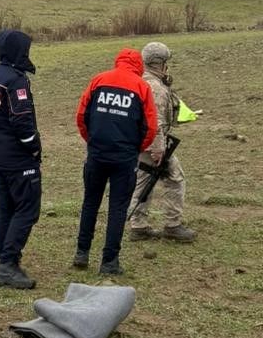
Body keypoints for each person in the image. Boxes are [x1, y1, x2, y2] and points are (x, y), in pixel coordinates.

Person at [73, 48, 157, 275]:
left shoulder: (98, 80)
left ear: (117, 61)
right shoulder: (142, 87)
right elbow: (150, 127)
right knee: (117, 208)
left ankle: (82, 252)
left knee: (90, 202)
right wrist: (135, 148)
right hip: (125, 157)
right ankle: (109, 262)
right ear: (139, 65)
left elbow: (81, 116)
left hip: (97, 154)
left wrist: (91, 141)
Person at [0, 29, 42, 289]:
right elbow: (22, 120)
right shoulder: (16, 80)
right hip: (18, 158)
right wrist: (34, 147)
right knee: (27, 209)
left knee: (5, 208)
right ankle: (7, 264)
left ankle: (5, 259)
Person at [128, 41, 196, 243]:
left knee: (142, 182)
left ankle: (138, 226)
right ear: (160, 63)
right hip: (153, 143)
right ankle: (172, 225)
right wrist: (158, 148)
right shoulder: (155, 87)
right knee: (175, 179)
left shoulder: (143, 81)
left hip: (141, 142)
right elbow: (155, 121)